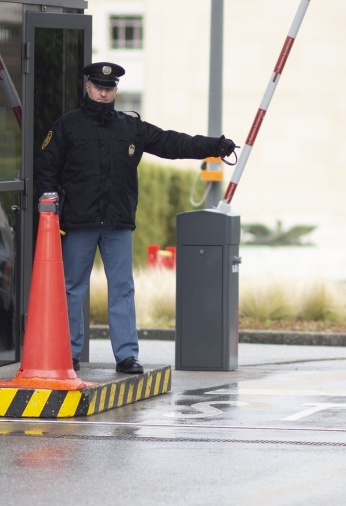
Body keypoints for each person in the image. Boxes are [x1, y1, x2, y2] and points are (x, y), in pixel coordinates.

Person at [36, 62, 233, 373]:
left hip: (117, 223)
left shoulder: (129, 127)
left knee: (123, 288)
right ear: (87, 87)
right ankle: (68, 353)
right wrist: (49, 206)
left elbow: (171, 143)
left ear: (116, 90)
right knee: (73, 288)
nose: (103, 93)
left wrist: (213, 147)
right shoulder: (67, 127)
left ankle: (126, 356)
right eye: (98, 87)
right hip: (79, 222)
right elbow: (46, 168)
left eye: (109, 88)